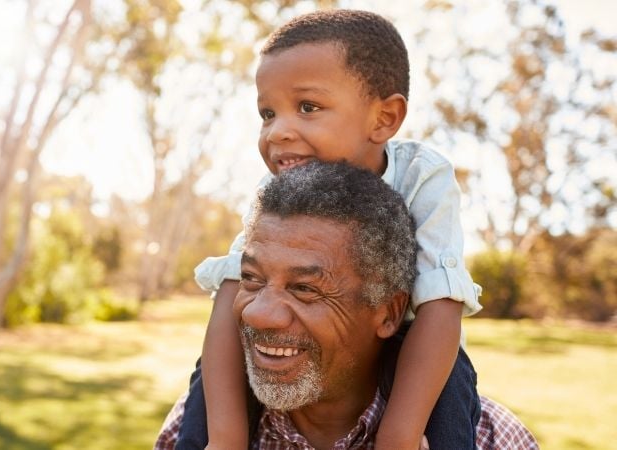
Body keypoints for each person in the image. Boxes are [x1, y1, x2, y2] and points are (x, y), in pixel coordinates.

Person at [179, 9, 484, 450]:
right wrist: (224, 437)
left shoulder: (421, 176)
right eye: (268, 113)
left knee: (451, 378)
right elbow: (231, 294)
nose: (279, 131)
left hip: (410, 344)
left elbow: (441, 303)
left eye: (308, 107)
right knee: (211, 373)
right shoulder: (275, 192)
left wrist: (399, 436)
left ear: (384, 118)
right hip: (306, 351)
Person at [157, 161, 537, 450]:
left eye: (305, 288)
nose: (258, 313)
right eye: (252, 279)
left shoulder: (492, 438)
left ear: (388, 313)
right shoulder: (195, 427)